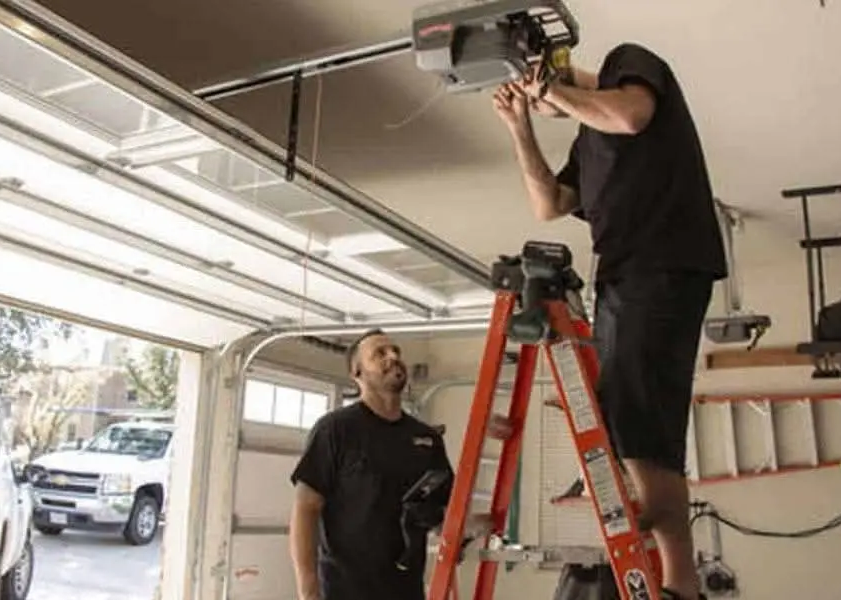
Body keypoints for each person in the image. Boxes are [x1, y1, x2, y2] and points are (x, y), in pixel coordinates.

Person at [492, 43, 728, 600]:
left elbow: (631, 115)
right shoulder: (586, 139)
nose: (543, 99)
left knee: (642, 423)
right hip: (624, 277)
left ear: (557, 72)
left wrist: (550, 88)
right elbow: (549, 202)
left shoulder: (630, 64)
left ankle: (681, 583)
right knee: (630, 417)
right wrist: (519, 126)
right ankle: (679, 577)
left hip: (661, 264)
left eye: (538, 85)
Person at [288, 328, 455, 600]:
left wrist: (472, 526)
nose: (393, 356)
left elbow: (443, 511)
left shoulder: (426, 438)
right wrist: (308, 592)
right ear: (357, 372)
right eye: (380, 353)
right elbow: (306, 508)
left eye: (396, 351)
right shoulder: (335, 430)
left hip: (406, 591)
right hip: (346, 591)